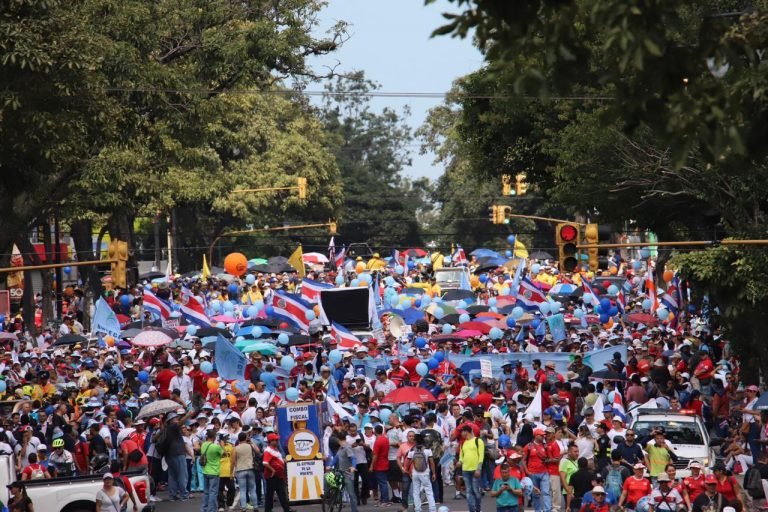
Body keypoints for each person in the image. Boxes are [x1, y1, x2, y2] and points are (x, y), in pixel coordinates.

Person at [405, 433, 436, 512]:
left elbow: (408, 462)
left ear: (415, 440)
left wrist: (408, 470)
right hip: (425, 473)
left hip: (415, 473)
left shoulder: (412, 450)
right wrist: (434, 473)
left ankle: (418, 509)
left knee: (416, 492)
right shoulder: (427, 450)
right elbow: (431, 462)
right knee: (429, 491)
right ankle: (432, 509)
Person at [522, 428, 551, 512]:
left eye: (543, 435)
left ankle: (547, 510)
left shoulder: (545, 446)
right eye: (541, 435)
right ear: (536, 435)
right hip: (533, 473)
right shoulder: (528, 446)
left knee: (546, 493)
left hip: (544, 472)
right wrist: (527, 471)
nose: (543, 437)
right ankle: (537, 510)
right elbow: (523, 460)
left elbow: (548, 458)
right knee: (536, 494)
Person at [458, 425, 484, 512]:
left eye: (462, 432)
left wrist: (478, 469)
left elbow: (481, 456)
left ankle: (478, 509)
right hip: (465, 470)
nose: (461, 434)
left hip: (475, 470)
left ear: (466, 431)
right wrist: (459, 462)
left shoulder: (478, 441)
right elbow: (461, 456)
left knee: (476, 491)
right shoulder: (463, 443)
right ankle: (472, 510)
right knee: (469, 492)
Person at [262, 433, 290, 512]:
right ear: (271, 441)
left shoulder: (275, 449)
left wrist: (283, 461)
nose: (277, 441)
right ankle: (268, 510)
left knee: (282, 494)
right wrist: (273, 470)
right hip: (272, 476)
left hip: (278, 475)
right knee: (270, 494)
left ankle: (286, 509)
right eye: (275, 440)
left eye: (277, 440)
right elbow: (265, 462)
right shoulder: (268, 451)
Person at [232, 432, 259, 512]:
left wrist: (236, 467)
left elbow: (233, 460)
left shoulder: (236, 448)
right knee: (252, 489)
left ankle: (243, 507)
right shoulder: (250, 446)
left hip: (240, 470)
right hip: (250, 468)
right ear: (245, 438)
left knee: (242, 490)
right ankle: (255, 506)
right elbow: (258, 451)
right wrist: (251, 442)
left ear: (238, 439)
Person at [332, 435, 359, 512]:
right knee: (333, 483)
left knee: (351, 493)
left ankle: (354, 510)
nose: (338, 442)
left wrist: (353, 467)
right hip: (340, 471)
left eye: (338, 441)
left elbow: (353, 458)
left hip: (347, 472)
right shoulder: (340, 448)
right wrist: (330, 465)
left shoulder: (347, 447)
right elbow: (336, 458)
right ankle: (335, 500)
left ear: (339, 440)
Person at [200, 429, 224, 512]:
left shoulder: (203, 445)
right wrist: (222, 445)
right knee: (213, 492)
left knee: (206, 492)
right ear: (214, 437)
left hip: (205, 471)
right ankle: (212, 510)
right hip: (214, 472)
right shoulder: (216, 446)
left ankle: (204, 509)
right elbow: (223, 454)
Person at [370, 424, 391, 507]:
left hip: (379, 464)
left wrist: (371, 465)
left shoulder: (378, 441)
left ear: (375, 431)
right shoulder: (385, 439)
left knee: (382, 483)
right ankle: (383, 499)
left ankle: (385, 500)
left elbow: (375, 455)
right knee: (383, 482)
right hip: (385, 462)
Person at [217, 433, 236, 511]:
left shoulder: (231, 446)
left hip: (229, 471)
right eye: (225, 437)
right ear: (221, 439)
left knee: (232, 489)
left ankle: (229, 504)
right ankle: (221, 506)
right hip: (219, 471)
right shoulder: (216, 447)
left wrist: (233, 470)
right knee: (219, 490)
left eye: (227, 437)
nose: (227, 439)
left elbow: (233, 458)